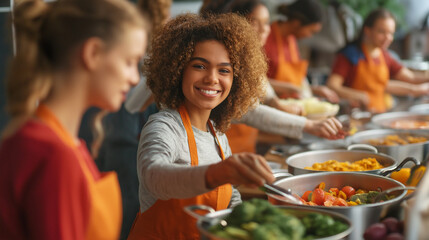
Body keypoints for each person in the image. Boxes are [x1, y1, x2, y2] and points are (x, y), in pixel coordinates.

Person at [0, 0, 147, 239]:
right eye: (130, 62)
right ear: (93, 53)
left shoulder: (39, 137)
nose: (134, 79)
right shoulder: (55, 154)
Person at [127, 13, 275, 239]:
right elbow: (154, 176)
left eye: (224, 70)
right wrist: (217, 173)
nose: (212, 78)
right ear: (177, 70)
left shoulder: (217, 133)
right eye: (199, 66)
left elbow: (230, 197)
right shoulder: (163, 126)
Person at [201, 0, 345, 153]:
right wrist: (307, 124)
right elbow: (246, 110)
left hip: (244, 141)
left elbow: (266, 92)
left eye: (267, 22)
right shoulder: (227, 57)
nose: (264, 29)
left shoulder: (249, 58)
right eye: (255, 22)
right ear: (236, 23)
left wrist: (277, 101)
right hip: (224, 139)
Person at [94, 1, 172, 239]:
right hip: (128, 131)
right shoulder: (137, 31)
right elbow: (136, 98)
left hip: (125, 129)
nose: (132, 76)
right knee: (127, 202)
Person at [327, 8, 429, 113]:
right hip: (355, 115)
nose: (387, 38)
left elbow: (410, 77)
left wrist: (422, 83)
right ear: (367, 30)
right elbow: (332, 85)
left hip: (378, 113)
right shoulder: (350, 54)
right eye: (382, 32)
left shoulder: (385, 56)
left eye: (391, 33)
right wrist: (356, 95)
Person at [264, 0, 339, 102]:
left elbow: (296, 83)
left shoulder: (292, 41)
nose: (309, 36)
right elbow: (254, 81)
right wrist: (287, 88)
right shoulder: (265, 36)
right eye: (311, 31)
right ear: (296, 23)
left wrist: (314, 89)